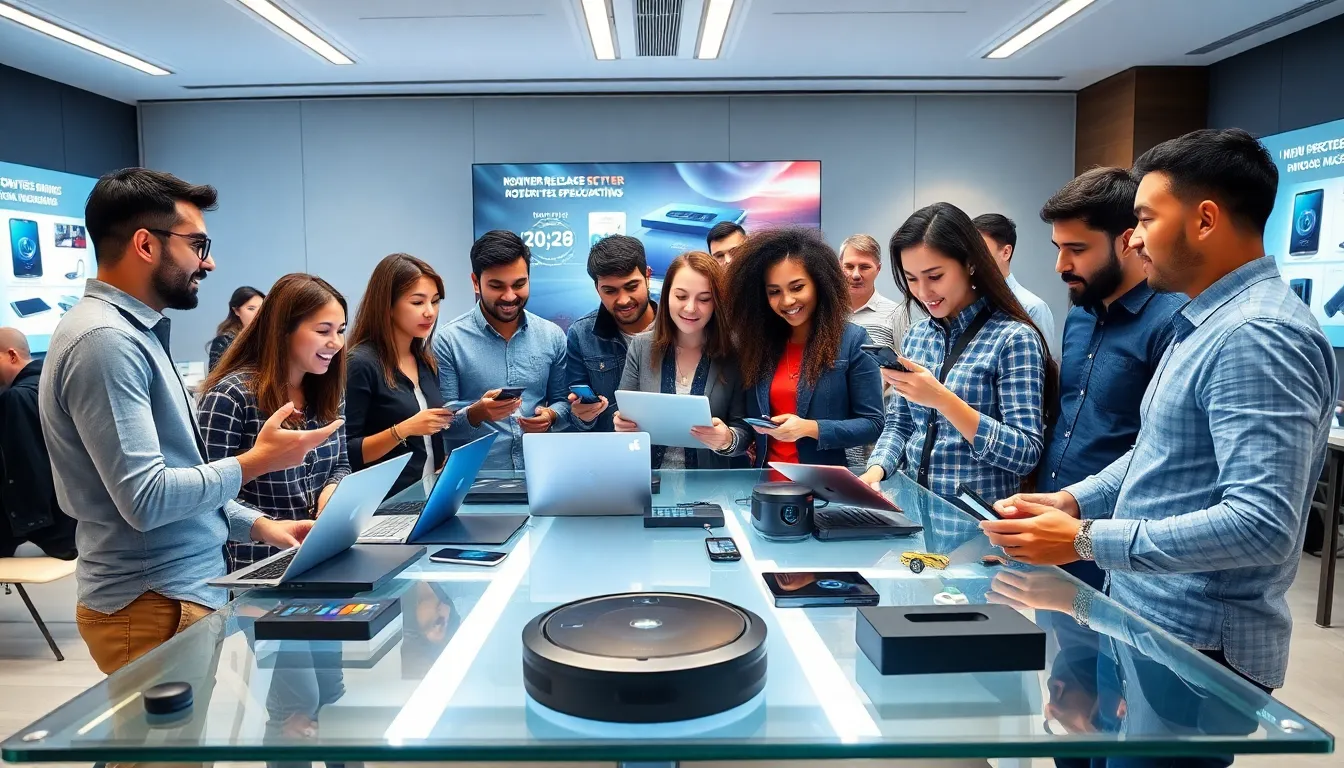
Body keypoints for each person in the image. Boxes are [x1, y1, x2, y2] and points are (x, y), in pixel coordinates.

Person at [984, 129, 1336, 727]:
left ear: (1204, 219)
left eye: (1146, 218)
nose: (1136, 238)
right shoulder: (1206, 321)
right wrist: (1072, 501)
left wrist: (1085, 540)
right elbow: (1156, 451)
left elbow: (1261, 527)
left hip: (1196, 646)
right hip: (1145, 617)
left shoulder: (1257, 335)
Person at [40, 168, 338, 674]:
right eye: (198, 245)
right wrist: (253, 464)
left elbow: (178, 478)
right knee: (155, 755)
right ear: (145, 244)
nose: (210, 262)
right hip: (153, 599)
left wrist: (260, 525)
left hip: (175, 592)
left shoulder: (131, 334)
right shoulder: (106, 342)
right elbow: (147, 499)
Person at [1036, 167, 1187, 590]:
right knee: (1066, 650)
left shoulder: (1173, 322)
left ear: (1128, 240)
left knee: (1110, 651)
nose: (1061, 265)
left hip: (1120, 541)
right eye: (1058, 247)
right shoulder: (1080, 314)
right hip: (1057, 524)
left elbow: (1162, 449)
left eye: (1076, 249)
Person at [860, 202, 1053, 504]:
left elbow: (1025, 453)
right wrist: (875, 471)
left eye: (935, 276)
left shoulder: (1014, 338)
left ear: (970, 264)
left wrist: (943, 400)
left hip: (977, 531)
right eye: (911, 279)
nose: (923, 292)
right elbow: (900, 424)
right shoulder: (918, 335)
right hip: (914, 517)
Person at [198, 274, 351, 571]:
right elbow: (205, 495)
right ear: (283, 331)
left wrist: (332, 491)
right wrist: (265, 526)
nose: (336, 343)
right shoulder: (231, 395)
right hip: (255, 564)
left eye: (341, 330)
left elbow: (341, 464)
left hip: (319, 553)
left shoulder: (329, 390)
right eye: (323, 331)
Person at [726, 227, 884, 468]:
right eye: (774, 292)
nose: (787, 301)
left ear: (820, 283)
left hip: (822, 489)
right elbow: (750, 427)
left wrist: (810, 428)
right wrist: (726, 438)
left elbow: (873, 424)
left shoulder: (852, 341)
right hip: (766, 485)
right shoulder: (757, 346)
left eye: (797, 287)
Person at [436, 230, 572, 470]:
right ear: (475, 282)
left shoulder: (552, 336)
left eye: (519, 284)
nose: (510, 296)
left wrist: (550, 416)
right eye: (497, 286)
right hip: (475, 481)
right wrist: (476, 413)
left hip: (541, 472)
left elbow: (562, 402)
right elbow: (441, 424)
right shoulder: (449, 340)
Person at [609, 252, 749, 468]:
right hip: (648, 482)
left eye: (704, 299)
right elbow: (622, 414)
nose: (691, 308)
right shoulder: (641, 347)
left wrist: (727, 440)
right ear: (666, 296)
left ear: (717, 303)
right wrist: (621, 425)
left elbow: (744, 430)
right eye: (681, 296)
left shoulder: (734, 353)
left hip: (712, 488)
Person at [346, 253, 452, 497]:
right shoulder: (361, 363)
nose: (430, 312)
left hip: (427, 495)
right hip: (383, 505)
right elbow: (347, 453)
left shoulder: (424, 360)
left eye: (435, 301)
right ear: (388, 306)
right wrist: (402, 430)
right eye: (417, 302)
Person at [565, 234, 657, 433]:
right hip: (611, 457)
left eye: (631, 287)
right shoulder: (581, 335)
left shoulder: (679, 326)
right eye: (610, 291)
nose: (623, 300)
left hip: (671, 456)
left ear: (648, 276)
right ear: (597, 289)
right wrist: (582, 416)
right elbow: (575, 419)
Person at [0, 328, 76, 560]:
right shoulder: (55, 385)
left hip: (49, 533)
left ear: (12, 355)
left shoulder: (17, 398)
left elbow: (25, 472)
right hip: (77, 524)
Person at [974, 213, 1057, 358]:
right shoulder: (967, 304)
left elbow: (1043, 368)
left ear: (1006, 252)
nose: (973, 257)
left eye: (981, 250)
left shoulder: (1032, 308)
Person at [839, 233, 913, 352]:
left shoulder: (896, 313)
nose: (856, 275)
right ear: (839, 267)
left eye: (864, 267)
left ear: (878, 269)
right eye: (849, 266)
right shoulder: (826, 312)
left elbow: (907, 365)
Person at [208, 285, 264, 371]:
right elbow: (216, 379)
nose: (258, 314)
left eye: (261, 309)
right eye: (251, 308)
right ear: (236, 311)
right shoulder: (224, 341)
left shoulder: (270, 337)